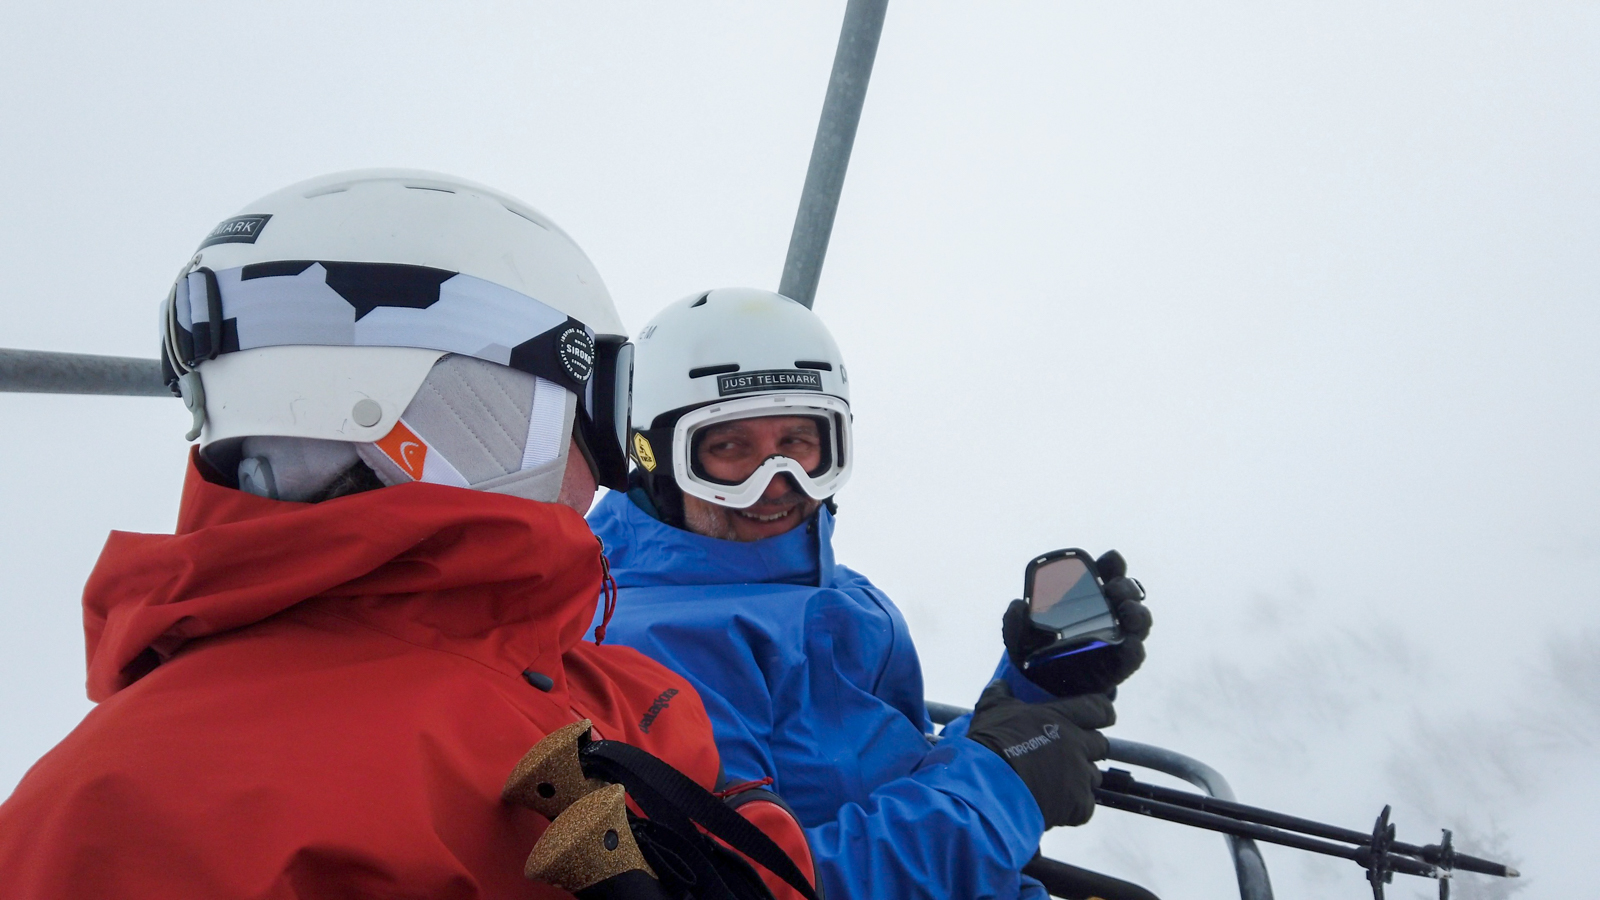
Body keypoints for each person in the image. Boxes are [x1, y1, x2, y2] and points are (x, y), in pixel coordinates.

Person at [0, 173, 812, 900]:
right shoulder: (128, 810)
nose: (605, 473)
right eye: (598, 408)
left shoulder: (616, 689)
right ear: (482, 412)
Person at [588, 287, 1153, 899]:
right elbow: (763, 884)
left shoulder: (841, 590)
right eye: (728, 449)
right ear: (655, 457)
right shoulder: (639, 648)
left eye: (799, 444)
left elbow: (900, 776)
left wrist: (1032, 695)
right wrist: (1001, 785)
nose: (776, 484)